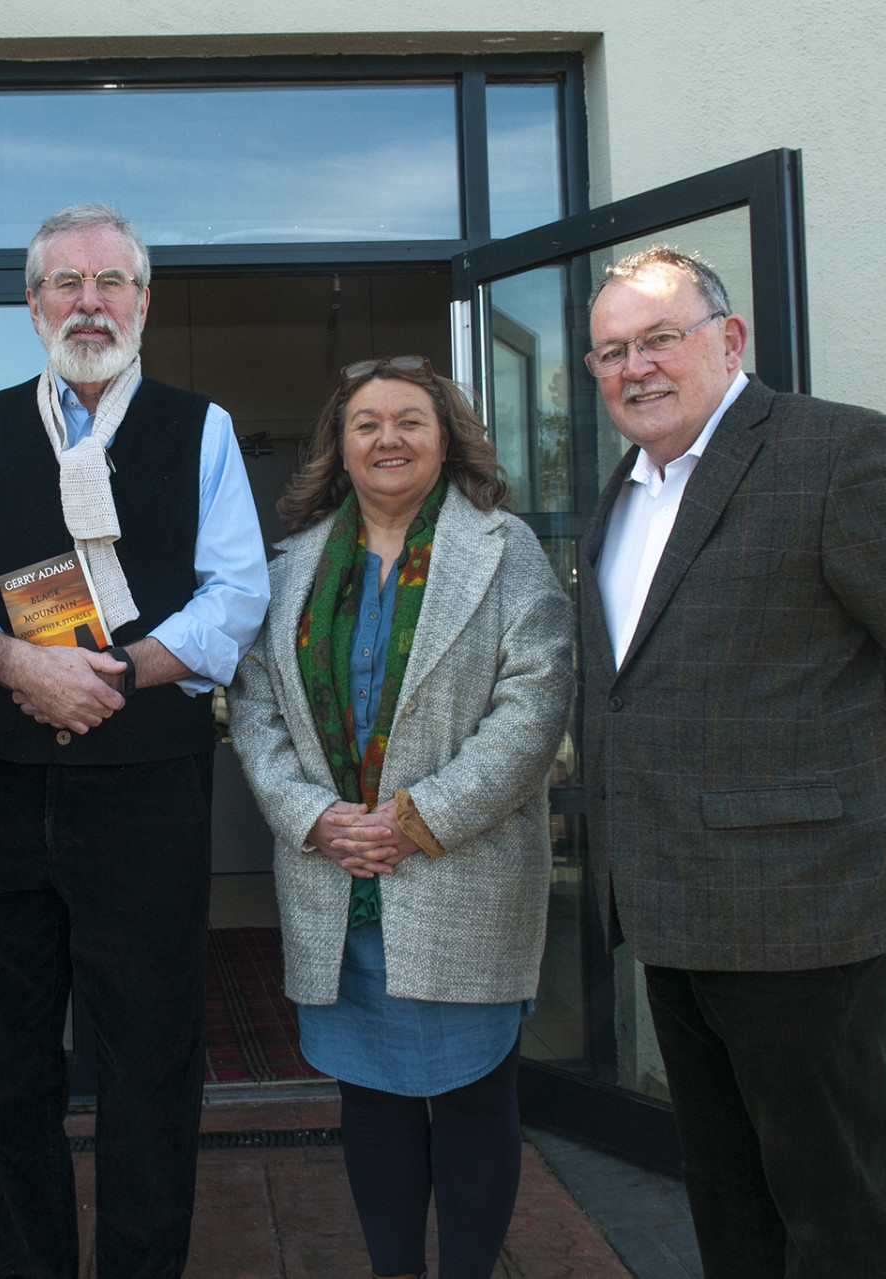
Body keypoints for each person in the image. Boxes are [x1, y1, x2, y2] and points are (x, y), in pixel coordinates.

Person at [580, 246, 886, 1278]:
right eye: (608, 352)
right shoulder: (626, 490)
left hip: (809, 903)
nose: (633, 368)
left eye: (658, 339)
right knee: (726, 1190)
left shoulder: (833, 450)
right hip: (674, 904)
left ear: (728, 341)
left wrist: (880, 794)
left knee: (828, 1203)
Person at [0, 203, 270, 1277]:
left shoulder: (198, 427)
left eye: (110, 281)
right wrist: (20, 664)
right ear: (31, 307)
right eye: (64, 283)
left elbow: (239, 592)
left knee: (150, 1067)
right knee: (11, 1070)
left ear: (144, 302)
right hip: (4, 795)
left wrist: (120, 673)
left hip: (149, 793)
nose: (88, 301)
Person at [228, 357, 573, 1279]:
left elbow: (536, 704)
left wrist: (420, 817)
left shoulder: (506, 550)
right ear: (338, 448)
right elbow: (254, 706)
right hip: (336, 879)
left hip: (461, 870)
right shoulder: (291, 565)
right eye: (367, 423)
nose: (388, 438)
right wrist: (313, 817)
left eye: (411, 420)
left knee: (473, 1099)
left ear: (447, 436)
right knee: (371, 1102)